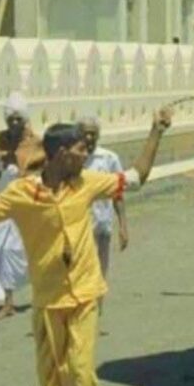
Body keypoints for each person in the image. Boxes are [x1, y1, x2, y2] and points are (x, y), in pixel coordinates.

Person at [0, 106, 173, 386]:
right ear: (61, 154)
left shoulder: (88, 182)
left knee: (78, 367)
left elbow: (136, 178)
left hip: (87, 292)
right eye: (80, 150)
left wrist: (156, 130)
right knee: (62, 373)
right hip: (49, 299)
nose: (86, 155)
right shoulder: (22, 192)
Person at [0, 95, 40, 319]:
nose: (14, 123)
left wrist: (24, 175)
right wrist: (6, 174)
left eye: (18, 118)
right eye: (11, 119)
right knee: (3, 248)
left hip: (27, 200)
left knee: (26, 250)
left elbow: (43, 170)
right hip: (5, 199)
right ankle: (8, 301)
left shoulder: (36, 142)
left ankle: (42, 293)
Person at [78, 115, 128, 304]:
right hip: (80, 227)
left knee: (100, 270)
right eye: (85, 133)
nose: (89, 137)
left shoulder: (109, 158)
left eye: (92, 133)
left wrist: (123, 226)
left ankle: (96, 307)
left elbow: (118, 194)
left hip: (102, 225)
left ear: (98, 135)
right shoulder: (73, 159)